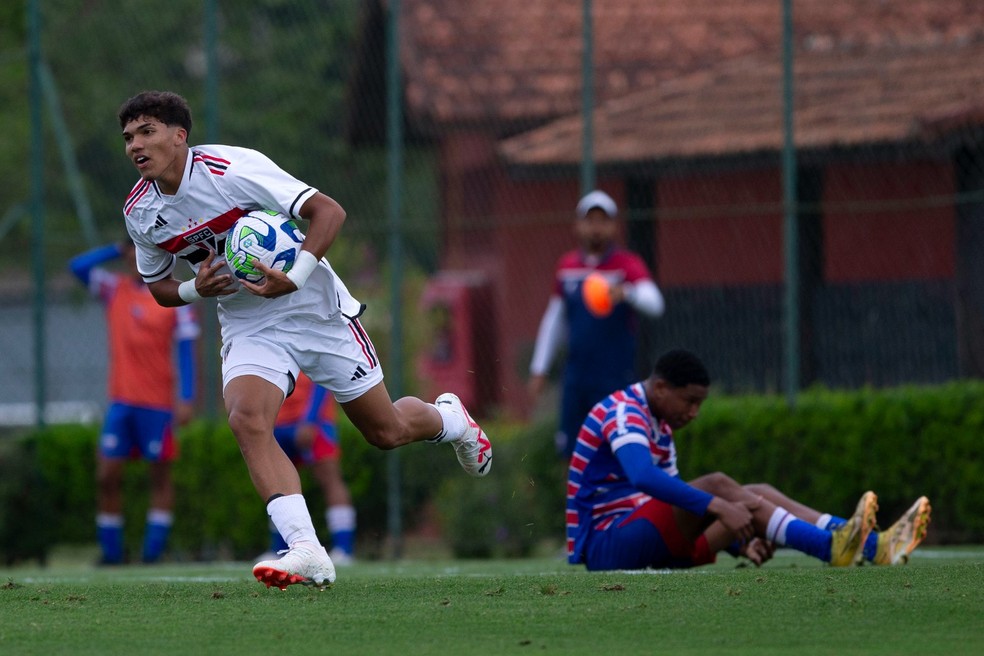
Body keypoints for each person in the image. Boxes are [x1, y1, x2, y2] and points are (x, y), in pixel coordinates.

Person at [117, 90, 491, 590]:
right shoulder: (140, 212)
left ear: (179, 136)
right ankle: (307, 550)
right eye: (128, 137)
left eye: (147, 132)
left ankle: (452, 420)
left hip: (314, 307)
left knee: (387, 432)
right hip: (252, 324)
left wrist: (294, 276)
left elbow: (329, 213)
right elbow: (159, 287)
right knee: (247, 419)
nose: (135, 145)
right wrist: (193, 288)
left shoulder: (232, 168)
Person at [566, 349, 932, 571]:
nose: (694, 412)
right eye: (690, 401)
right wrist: (719, 506)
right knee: (719, 487)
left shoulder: (660, 424)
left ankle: (875, 547)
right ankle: (831, 548)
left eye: (700, 404)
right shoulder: (623, 411)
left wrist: (738, 543)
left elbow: (675, 506)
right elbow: (643, 477)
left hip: (646, 541)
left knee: (755, 493)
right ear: (661, 388)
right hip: (606, 546)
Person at [69, 239, 200, 564]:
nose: (136, 260)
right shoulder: (114, 289)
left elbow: (186, 351)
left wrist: (186, 397)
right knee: (107, 476)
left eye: (144, 253)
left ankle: (153, 553)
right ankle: (111, 554)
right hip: (121, 401)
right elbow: (78, 267)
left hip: (158, 405)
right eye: (132, 254)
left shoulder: (177, 298)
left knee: (159, 477)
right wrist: (116, 246)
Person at [529, 190, 665, 458]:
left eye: (603, 220)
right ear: (578, 225)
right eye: (590, 220)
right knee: (572, 452)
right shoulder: (567, 266)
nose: (596, 227)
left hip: (614, 377)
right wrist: (539, 367)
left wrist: (627, 292)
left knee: (615, 449)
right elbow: (554, 320)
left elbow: (655, 304)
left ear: (613, 226)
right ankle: (577, 501)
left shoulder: (626, 265)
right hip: (576, 377)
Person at [260, 372, 357, 566]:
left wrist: (310, 419)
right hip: (278, 421)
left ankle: (344, 549)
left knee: (329, 479)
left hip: (313, 421)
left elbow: (322, 374)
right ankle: (279, 549)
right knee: (277, 483)